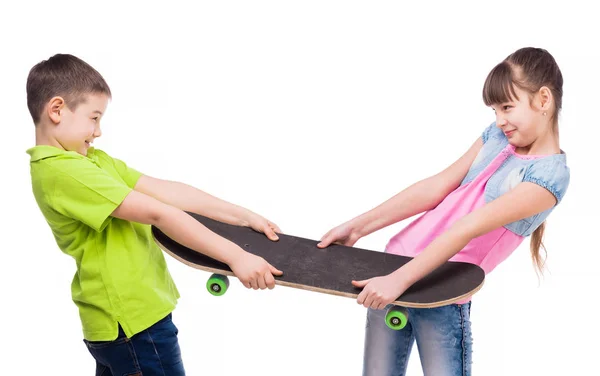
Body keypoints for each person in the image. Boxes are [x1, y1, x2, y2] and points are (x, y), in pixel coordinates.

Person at [317, 47, 570, 376]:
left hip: (440, 295)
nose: (499, 120)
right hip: (393, 269)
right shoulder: (497, 137)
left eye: (507, 107)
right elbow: (436, 187)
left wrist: (398, 281)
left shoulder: (550, 177)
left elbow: (468, 227)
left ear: (543, 100)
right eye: (495, 110)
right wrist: (358, 227)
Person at [25, 53, 283, 375]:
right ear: (57, 110)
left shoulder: (93, 162)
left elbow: (168, 192)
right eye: (94, 118)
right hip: (134, 325)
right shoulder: (63, 172)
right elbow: (159, 213)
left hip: (130, 322)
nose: (99, 130)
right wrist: (236, 256)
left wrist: (243, 216)